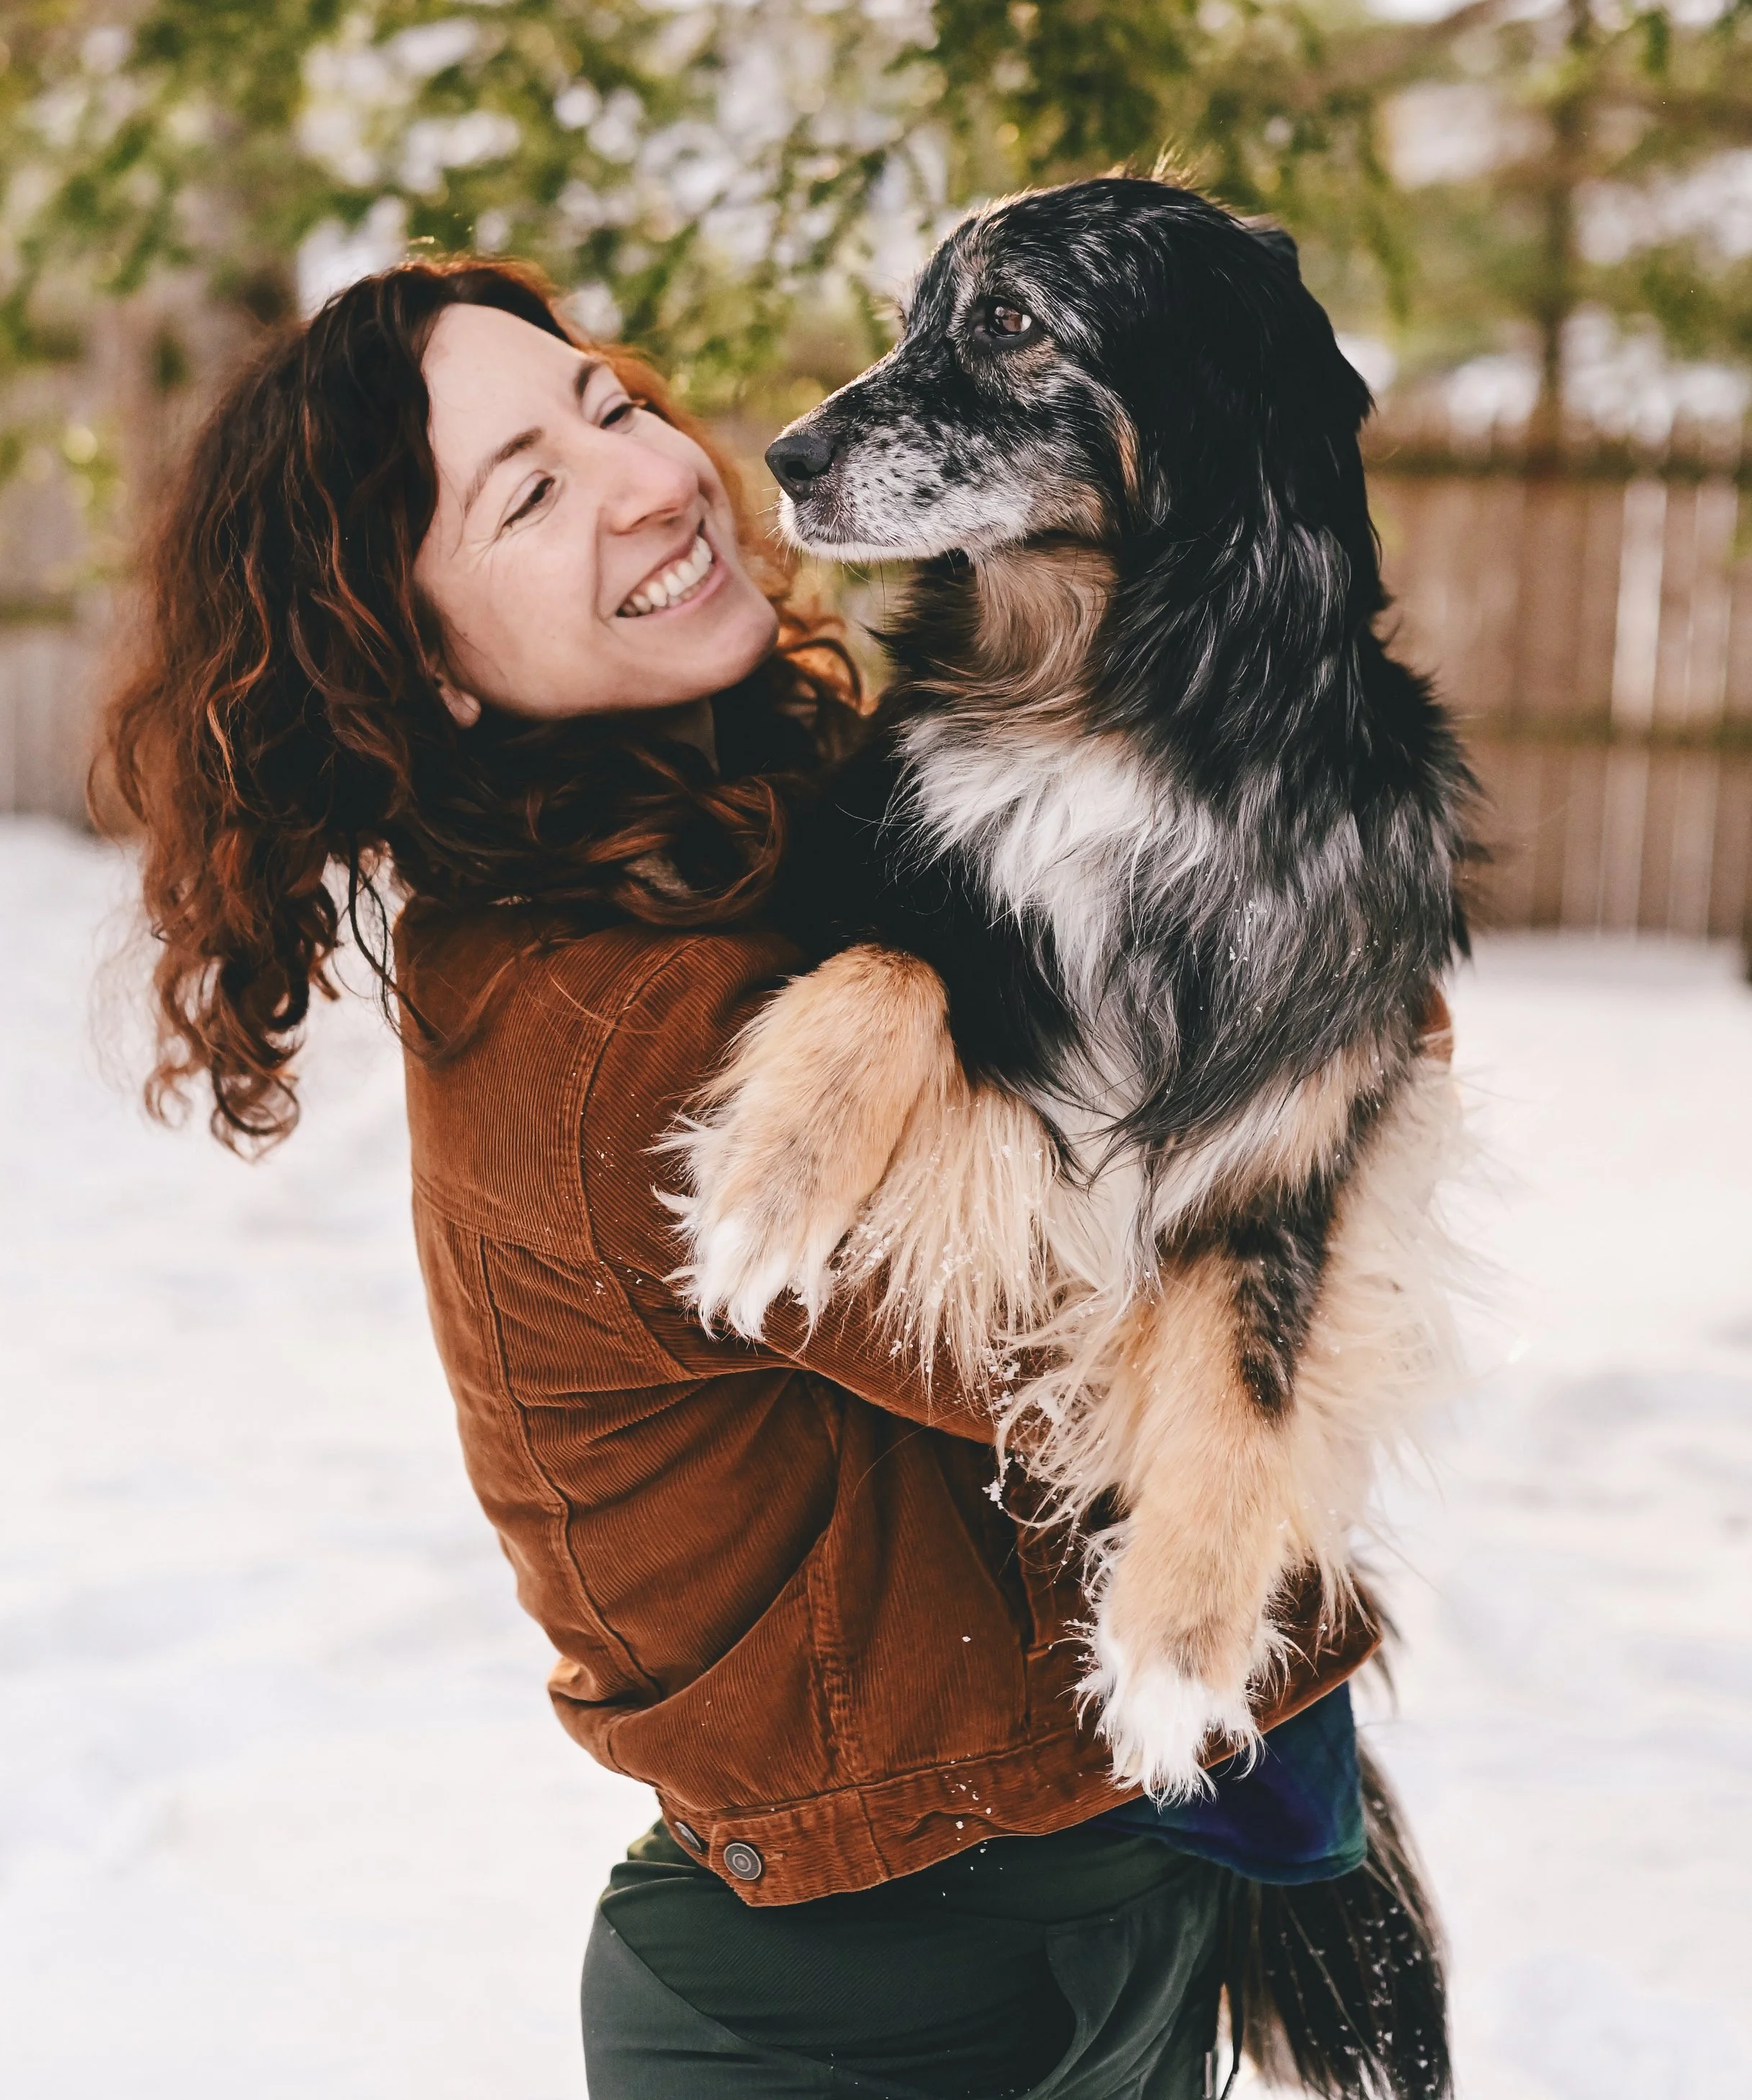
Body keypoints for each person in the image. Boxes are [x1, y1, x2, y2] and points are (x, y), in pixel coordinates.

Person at [102, 257, 1408, 2099]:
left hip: (1078, 1917)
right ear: (423, 669)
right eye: (527, 495)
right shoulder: (611, 1023)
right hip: (857, 2004)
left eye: (608, 407)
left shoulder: (784, 820)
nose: (645, 478)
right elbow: (1124, 1320)